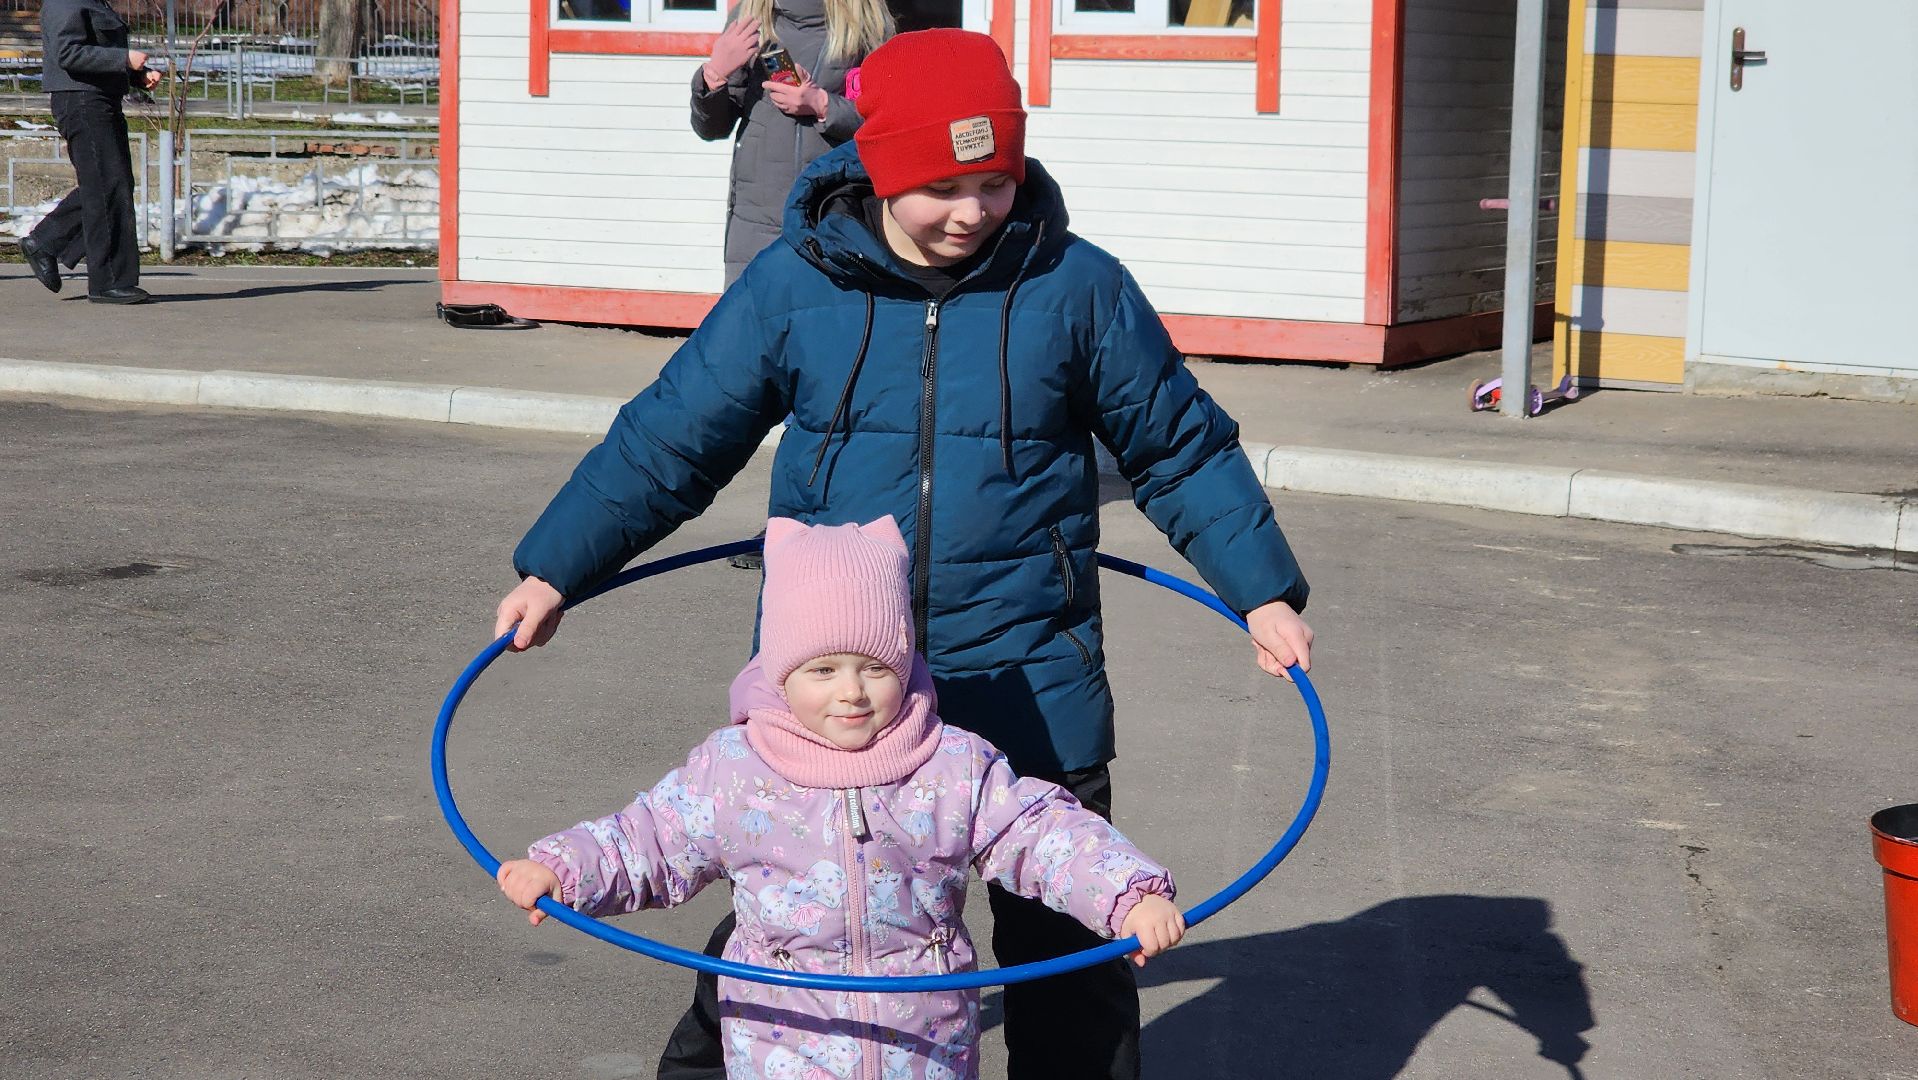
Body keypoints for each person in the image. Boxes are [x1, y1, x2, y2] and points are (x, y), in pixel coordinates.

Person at [494, 29, 1313, 1080]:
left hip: (1030, 671)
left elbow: (1179, 446)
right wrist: (558, 566)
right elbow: (671, 436)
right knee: (794, 922)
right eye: (941, 185)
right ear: (880, 169)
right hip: (836, 688)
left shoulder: (1075, 288)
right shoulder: (798, 286)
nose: (972, 210)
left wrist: (1262, 593)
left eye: (995, 180)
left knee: (1069, 955)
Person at [496, 516, 1186, 1080]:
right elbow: (645, 839)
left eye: (875, 667)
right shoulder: (736, 770)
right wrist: (560, 871)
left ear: (907, 662)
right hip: (783, 1048)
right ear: (779, 670)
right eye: (822, 670)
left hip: (925, 1050)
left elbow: (1046, 833)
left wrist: (1130, 893)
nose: (851, 691)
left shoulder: (950, 763)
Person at [691, 0, 891, 285]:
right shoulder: (751, 16)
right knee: (754, 323)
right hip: (756, 218)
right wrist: (714, 76)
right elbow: (711, 128)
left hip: (834, 212)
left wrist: (823, 105)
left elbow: (889, 121)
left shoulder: (868, 22)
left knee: (823, 323)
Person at [19, 0, 159, 304]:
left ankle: (45, 243)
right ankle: (107, 282)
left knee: (111, 184)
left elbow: (92, 51)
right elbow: (68, 53)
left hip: (99, 100)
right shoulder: (64, 2)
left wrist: (135, 75)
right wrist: (124, 59)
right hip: (81, 102)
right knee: (106, 185)